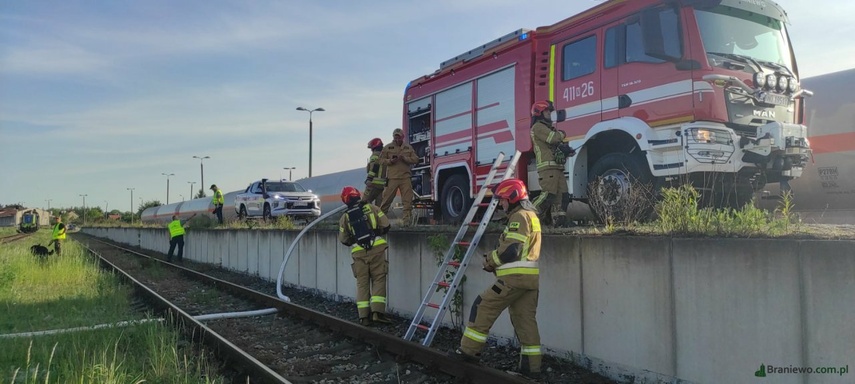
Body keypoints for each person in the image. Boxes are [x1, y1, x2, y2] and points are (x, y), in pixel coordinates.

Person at [450, 178, 543, 379]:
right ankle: (531, 369)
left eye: (502, 199)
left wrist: (490, 261)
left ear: (513, 196)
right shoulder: (531, 215)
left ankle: (468, 352)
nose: (501, 203)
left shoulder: (519, 216)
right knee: (525, 322)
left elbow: (512, 250)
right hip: (529, 281)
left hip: (514, 279)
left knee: (482, 306)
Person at [338, 186, 393, 326]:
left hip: (358, 253)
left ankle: (363, 317)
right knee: (378, 280)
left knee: (362, 284)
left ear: (345, 200)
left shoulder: (345, 217)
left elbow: (344, 239)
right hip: (377, 249)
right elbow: (386, 225)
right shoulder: (373, 208)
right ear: (358, 195)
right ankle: (377, 313)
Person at [529, 100, 575, 227]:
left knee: (563, 196)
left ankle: (559, 222)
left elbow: (555, 144)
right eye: (547, 111)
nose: (550, 113)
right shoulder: (538, 127)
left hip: (557, 167)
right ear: (539, 112)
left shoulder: (548, 128)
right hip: (547, 167)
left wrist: (566, 151)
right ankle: (528, 216)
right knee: (547, 195)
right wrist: (562, 134)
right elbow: (554, 138)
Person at [379, 128, 419, 225]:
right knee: (386, 201)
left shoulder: (408, 148)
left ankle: (406, 223)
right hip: (392, 178)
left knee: (407, 201)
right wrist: (390, 161)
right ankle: (380, 223)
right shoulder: (388, 148)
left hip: (405, 178)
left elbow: (415, 159)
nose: (397, 139)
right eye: (395, 137)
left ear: (402, 137)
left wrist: (405, 158)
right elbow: (380, 160)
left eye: (399, 137)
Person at [361, 137, 387, 207]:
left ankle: (368, 218)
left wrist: (369, 179)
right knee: (379, 207)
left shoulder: (375, 155)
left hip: (373, 184)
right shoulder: (385, 155)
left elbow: (374, 167)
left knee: (364, 204)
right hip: (383, 185)